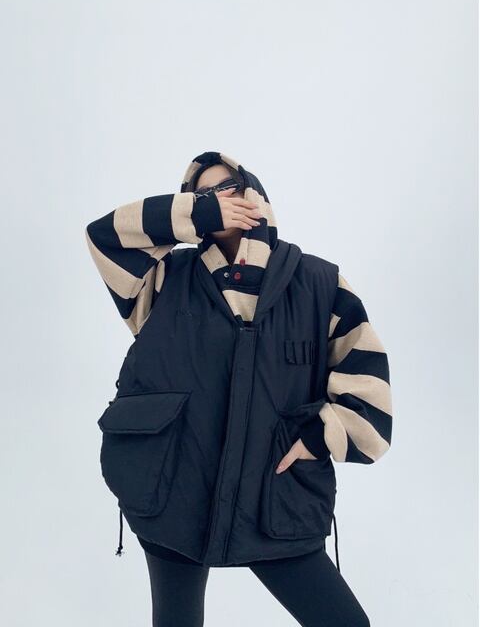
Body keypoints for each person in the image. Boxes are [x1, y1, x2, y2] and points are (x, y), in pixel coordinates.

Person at [85, 151, 393, 626]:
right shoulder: (163, 281)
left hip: (276, 499)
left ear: (254, 194)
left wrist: (319, 437)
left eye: (226, 187)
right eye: (202, 195)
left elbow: (368, 382)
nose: (216, 199)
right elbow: (104, 237)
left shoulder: (320, 282)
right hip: (174, 494)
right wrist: (200, 215)